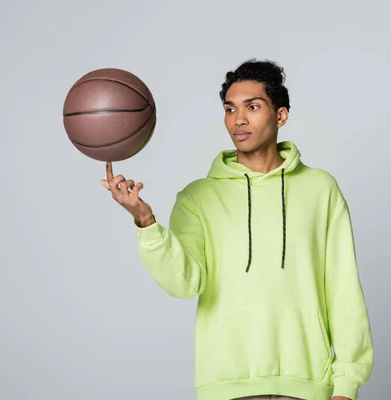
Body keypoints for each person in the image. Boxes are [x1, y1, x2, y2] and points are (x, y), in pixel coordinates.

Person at [100, 59, 374, 400]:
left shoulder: (321, 189)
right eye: (230, 109)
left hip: (308, 383)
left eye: (252, 107)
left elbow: (343, 289)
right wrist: (145, 221)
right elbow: (185, 283)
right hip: (225, 385)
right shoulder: (197, 197)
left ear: (281, 116)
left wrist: (347, 382)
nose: (238, 119)